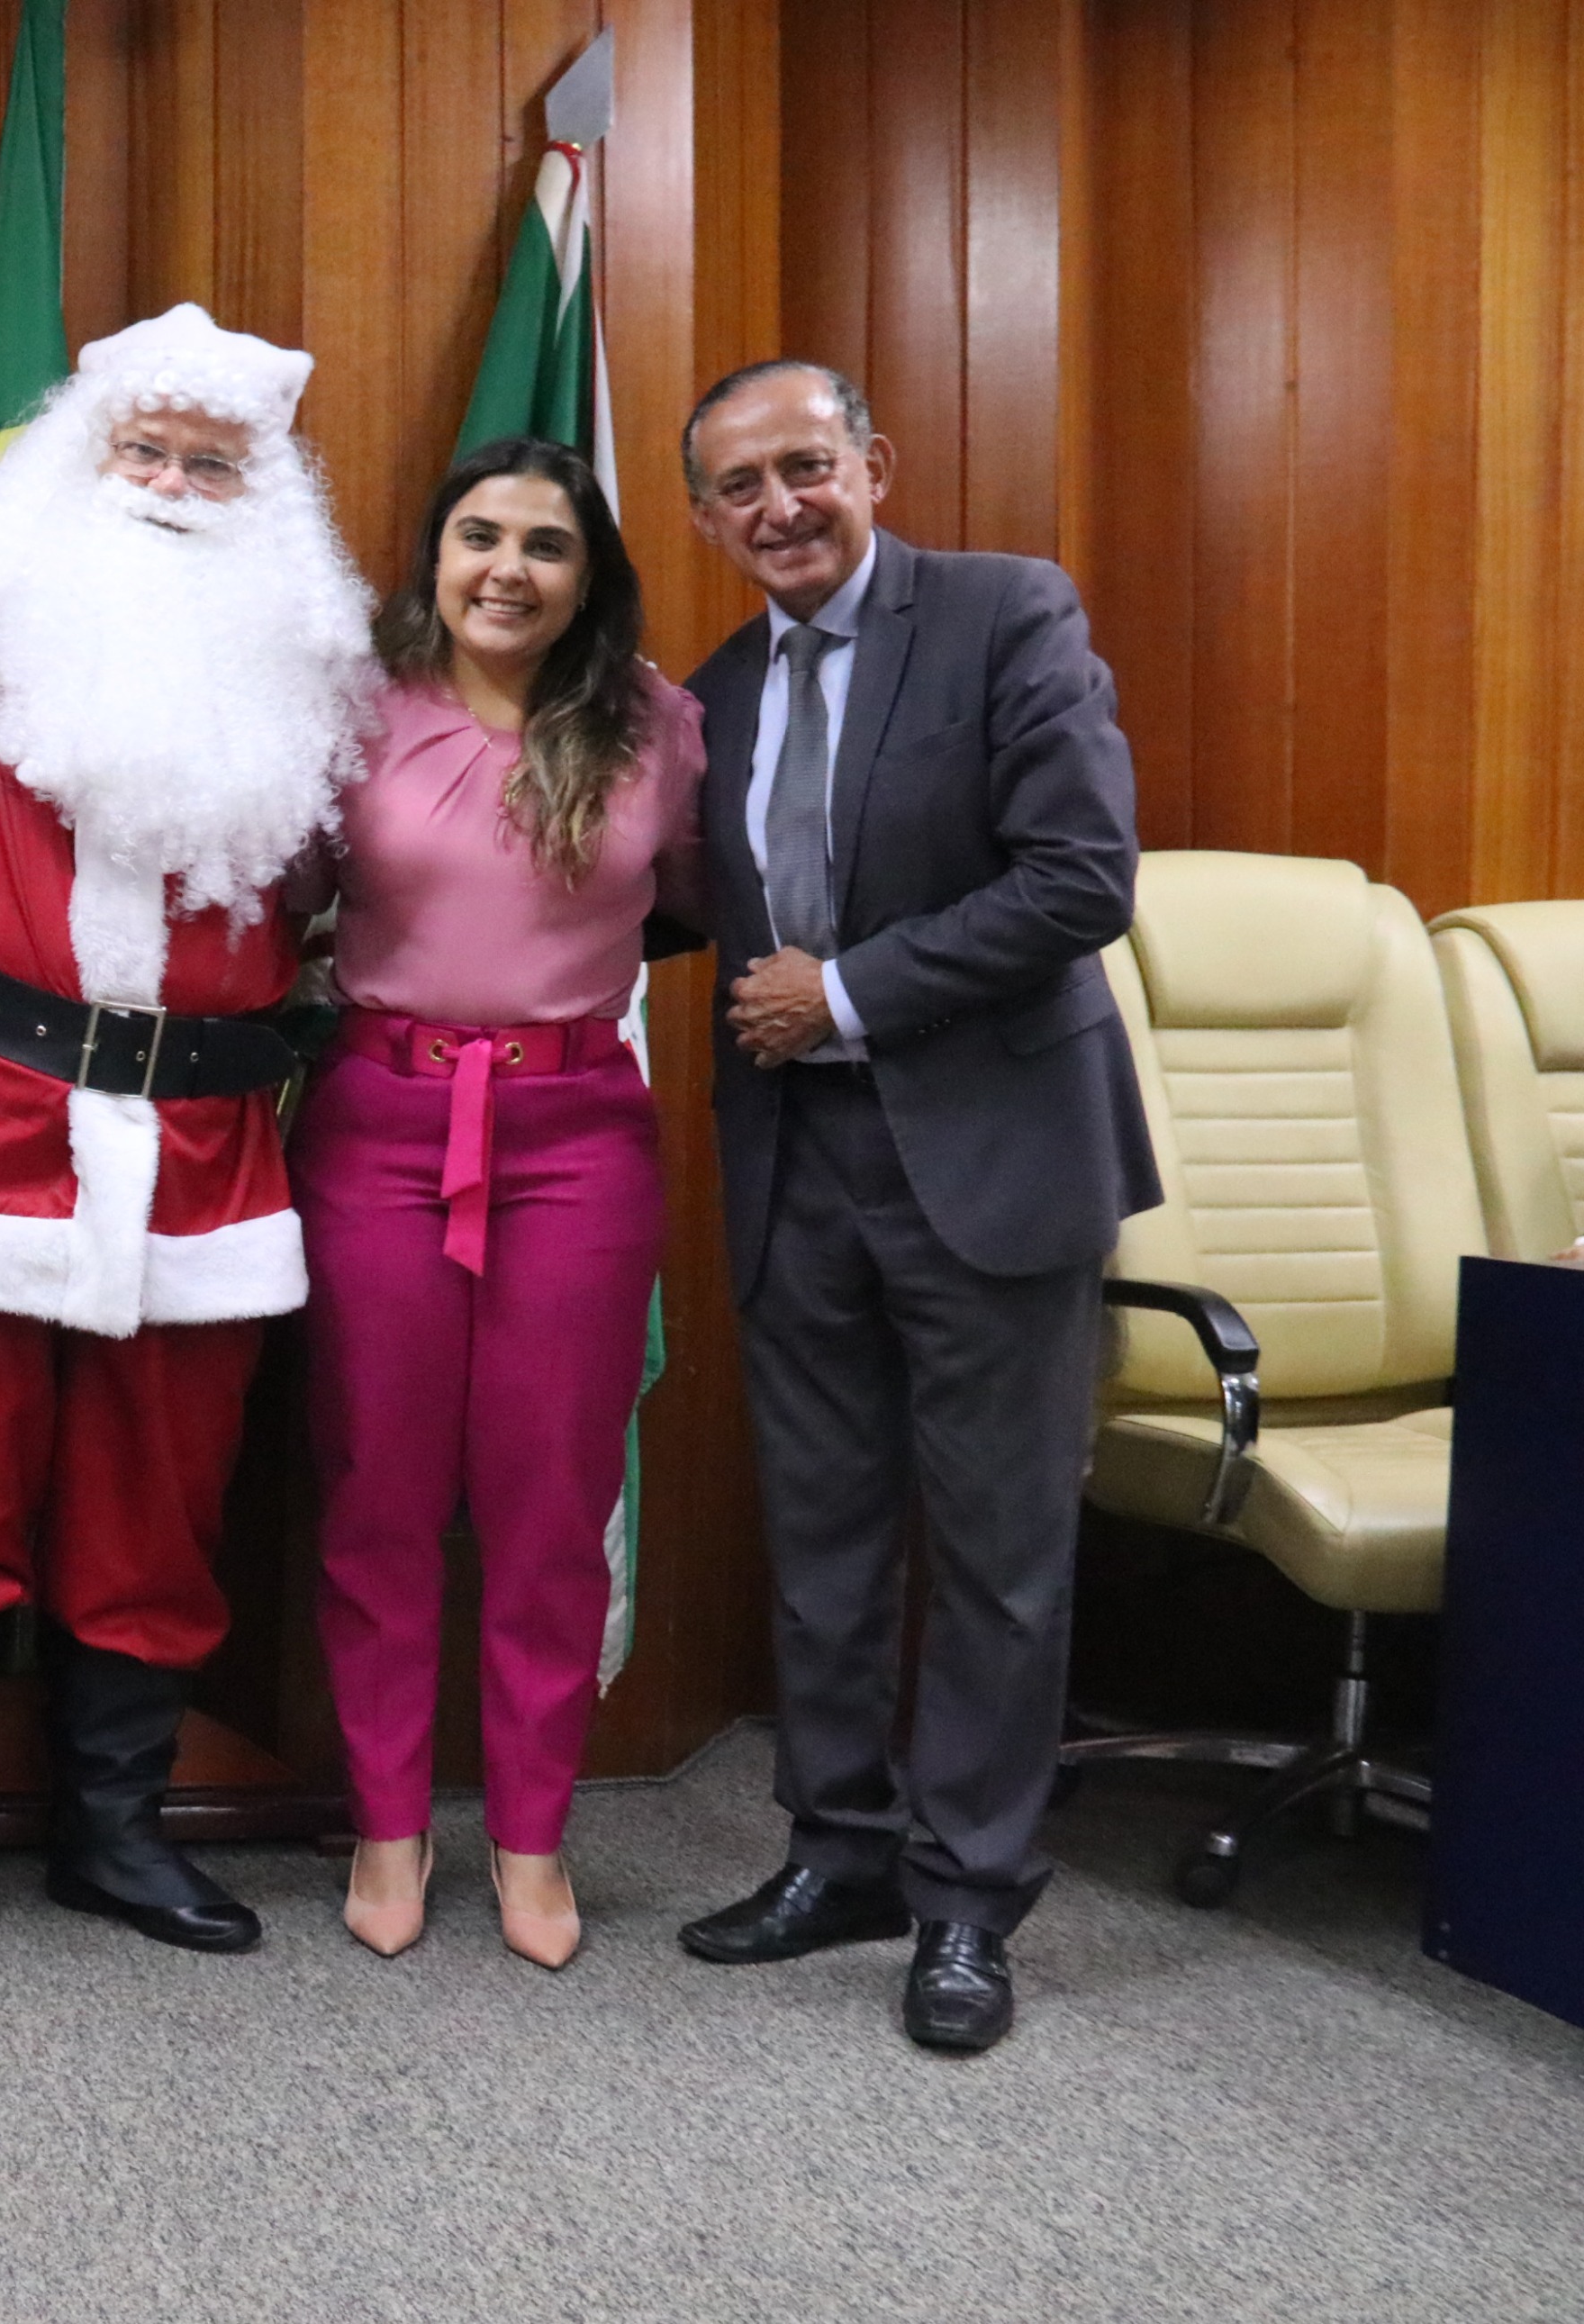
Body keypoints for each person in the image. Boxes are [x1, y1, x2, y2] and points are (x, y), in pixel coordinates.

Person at [0, 303, 378, 1980]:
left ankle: (116, 1833)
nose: (173, 486)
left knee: (159, 1500)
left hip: (204, 1144)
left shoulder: (316, 663)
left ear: (267, 499)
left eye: (214, 465)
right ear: (80, 450)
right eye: (145, 449)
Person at [668, 360, 1157, 2052]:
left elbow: (1081, 875)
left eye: (805, 465)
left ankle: (968, 1901)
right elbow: (652, 897)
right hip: (796, 1162)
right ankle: (842, 1852)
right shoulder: (715, 692)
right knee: (823, 1544)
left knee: (1001, 1558)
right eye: (739, 487)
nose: (779, 506)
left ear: (872, 462)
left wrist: (847, 992)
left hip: (993, 1153)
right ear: (703, 519)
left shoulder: (1006, 614)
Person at [295, 438, 708, 1969]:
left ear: (589, 576)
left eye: (547, 544)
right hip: (378, 1123)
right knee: (379, 1490)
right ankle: (388, 1825)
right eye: (480, 536)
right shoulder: (353, 710)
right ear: (435, 555)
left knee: (550, 1496)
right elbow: (280, 898)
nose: (508, 569)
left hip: (576, 1136)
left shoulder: (658, 725)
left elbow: (698, 896)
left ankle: (533, 1835)